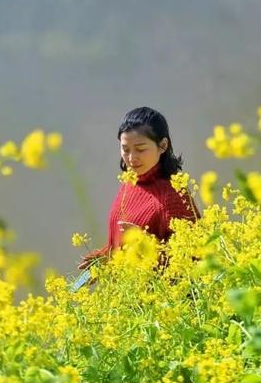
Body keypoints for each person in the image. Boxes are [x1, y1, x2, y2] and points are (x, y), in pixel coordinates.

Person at [78, 106, 199, 270]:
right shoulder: (129, 183)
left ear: (163, 145)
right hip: (126, 291)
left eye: (140, 149)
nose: (131, 158)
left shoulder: (173, 195)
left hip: (157, 293)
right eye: (125, 149)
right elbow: (123, 240)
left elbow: (195, 259)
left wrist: (148, 245)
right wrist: (105, 256)